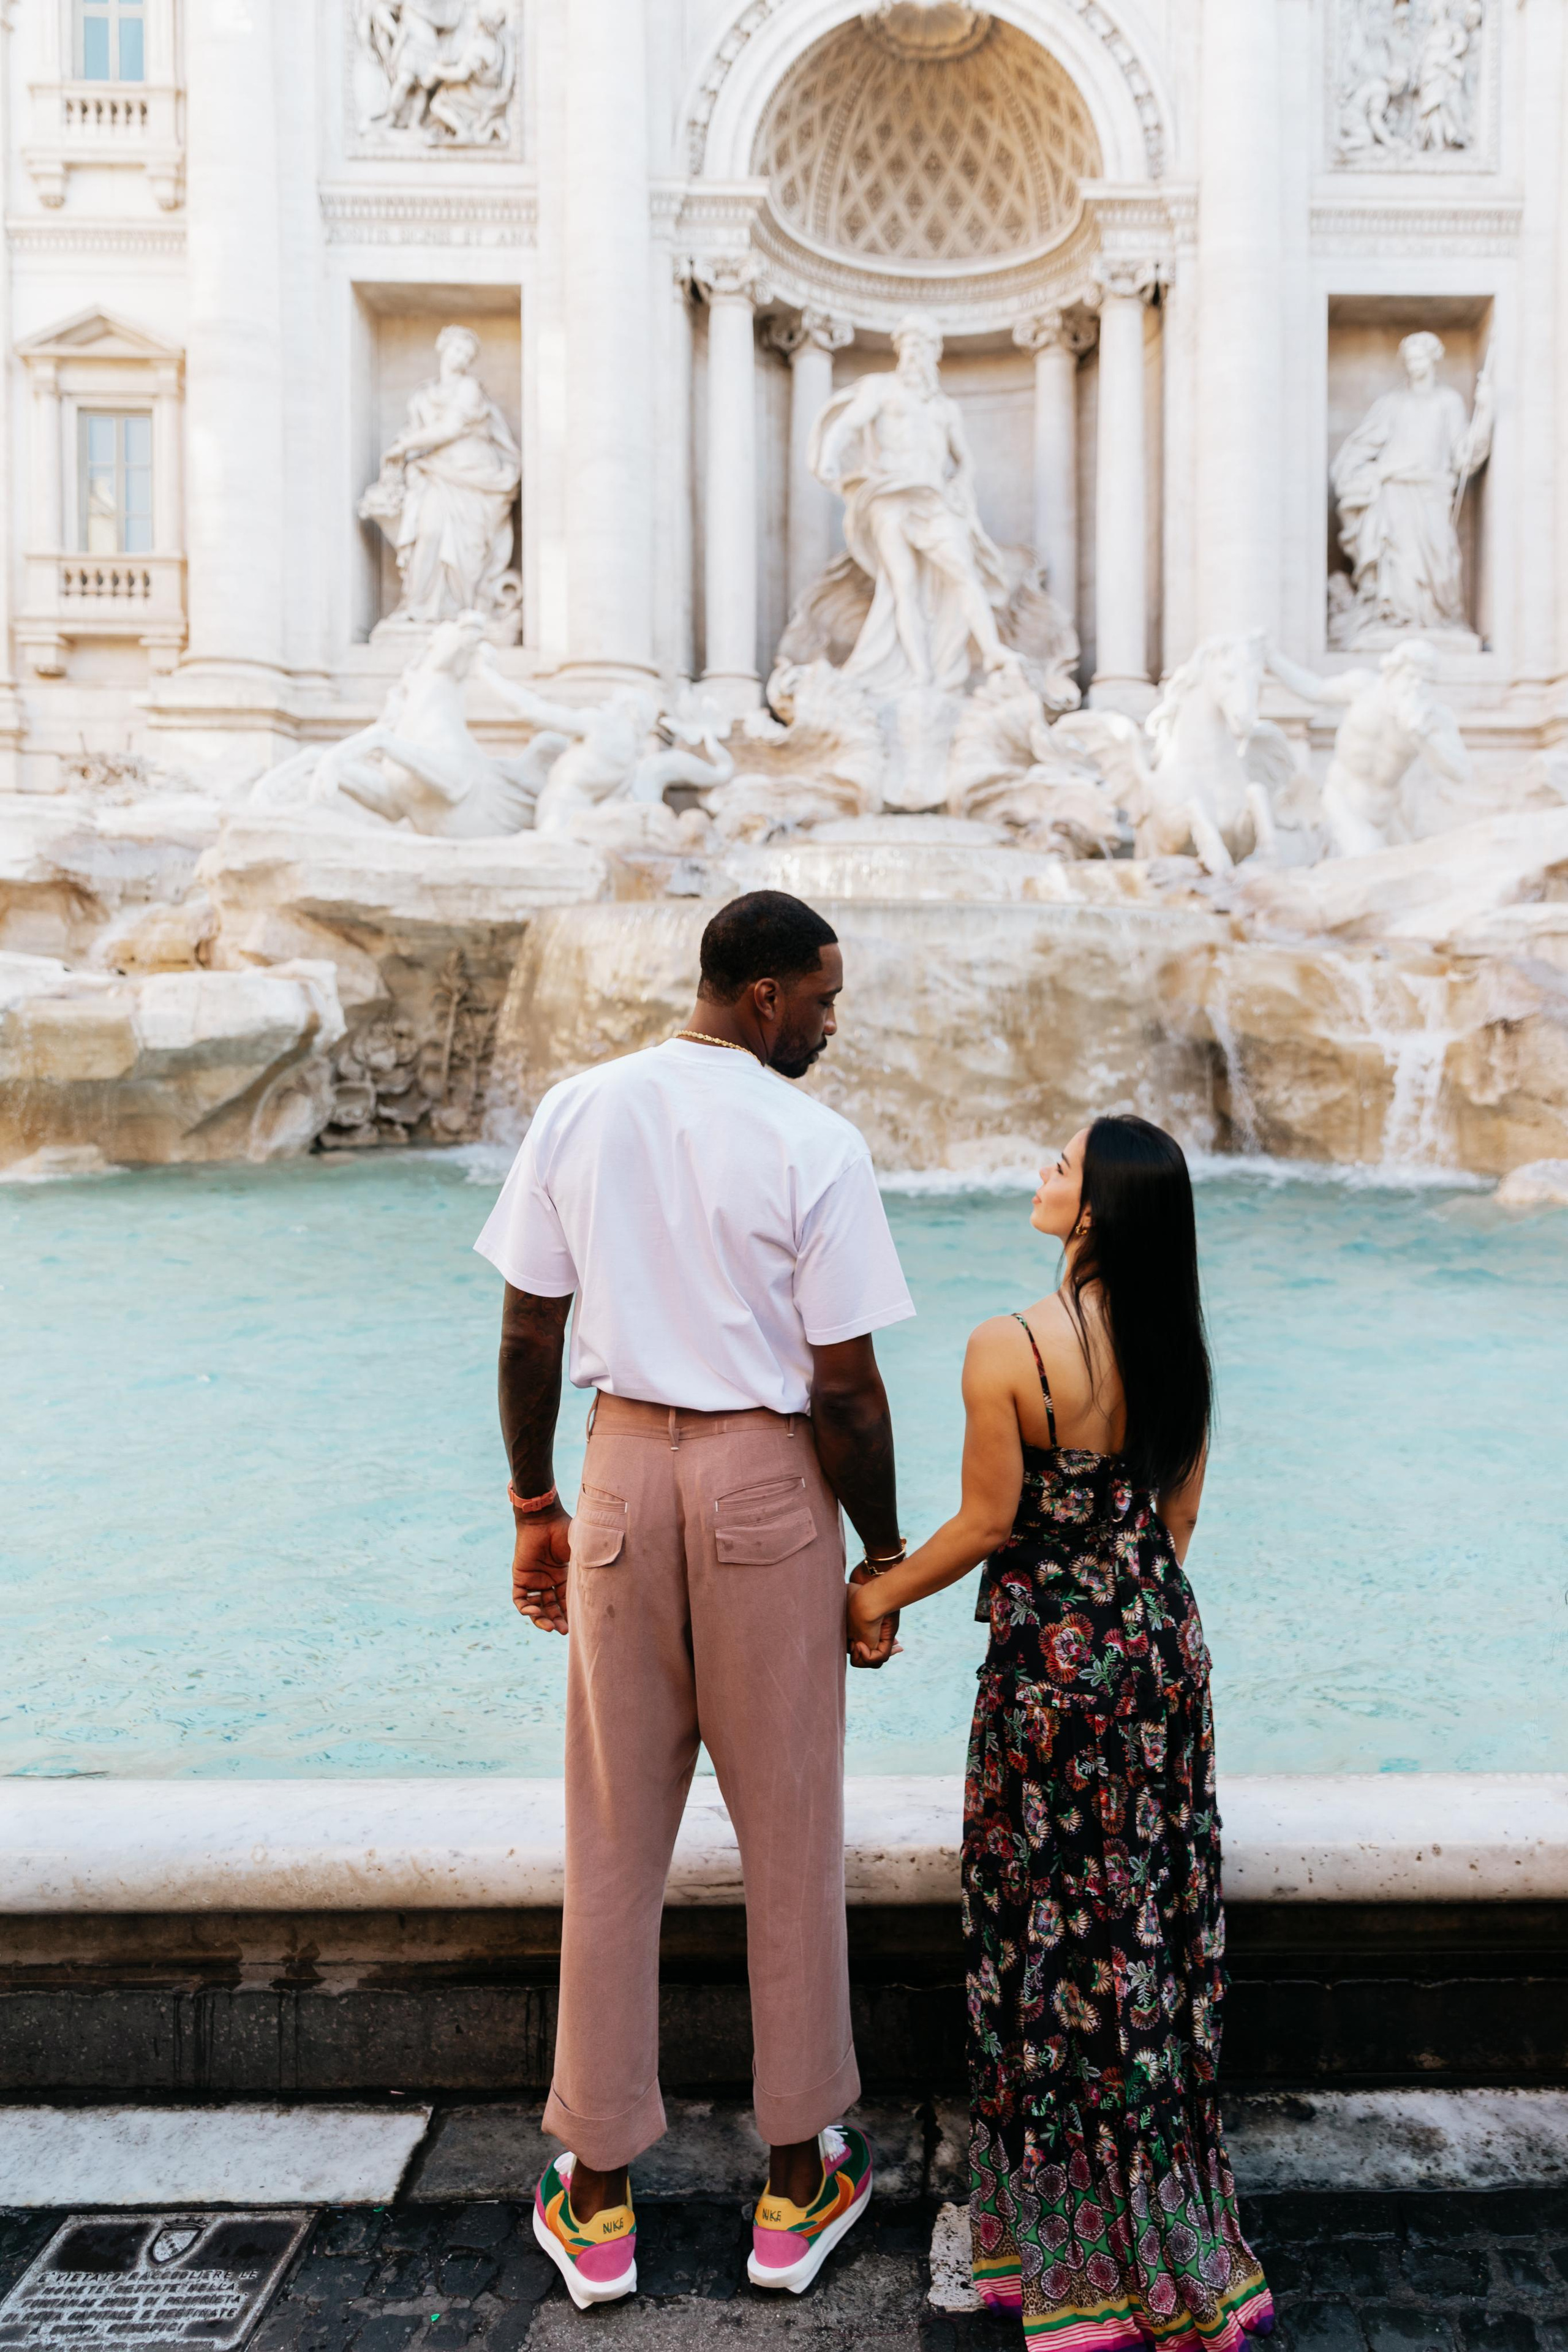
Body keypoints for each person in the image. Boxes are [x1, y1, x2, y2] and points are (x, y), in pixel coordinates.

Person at [475, 890, 914, 2312]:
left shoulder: (579, 1108)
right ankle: (795, 2185)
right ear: (766, 995)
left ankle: (595, 2198)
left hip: (615, 1476)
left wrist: (535, 1505)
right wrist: (883, 1554)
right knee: (787, 1827)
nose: (835, 1024)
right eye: (826, 998)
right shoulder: (810, 1141)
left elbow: (527, 1330)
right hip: (761, 1483)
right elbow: (842, 1387)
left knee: (610, 1837)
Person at [848, 1117, 1273, 2349]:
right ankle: (1170, 2223)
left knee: (1043, 1938)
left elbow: (986, 1525)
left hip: (1046, 1679)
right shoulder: (1180, 1352)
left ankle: (1066, 2246)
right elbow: (1172, 1532)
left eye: (1059, 1167)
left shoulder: (1009, 1347)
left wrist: (867, 1593)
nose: (1040, 1179)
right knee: (1146, 1930)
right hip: (1156, 1664)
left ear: (1092, 1213)